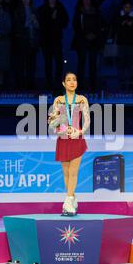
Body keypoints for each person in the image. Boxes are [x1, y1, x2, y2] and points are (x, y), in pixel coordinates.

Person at [49, 72, 90, 216]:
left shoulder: (82, 100)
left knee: (73, 172)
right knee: (66, 174)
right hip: (63, 139)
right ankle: (72, 199)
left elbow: (87, 120)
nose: (72, 82)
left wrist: (79, 132)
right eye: (68, 80)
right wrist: (58, 129)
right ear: (63, 83)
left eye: (74, 79)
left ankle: (67, 202)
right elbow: (54, 122)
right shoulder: (58, 100)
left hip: (76, 139)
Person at [71, 0, 102, 92]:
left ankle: (93, 87)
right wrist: (85, 35)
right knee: (81, 64)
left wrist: (94, 34)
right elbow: (76, 26)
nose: (86, 0)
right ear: (82, 0)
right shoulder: (79, 12)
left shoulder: (97, 11)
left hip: (94, 40)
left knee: (92, 64)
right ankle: (79, 87)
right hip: (81, 41)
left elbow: (100, 25)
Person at [38, 0, 69, 91]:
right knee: (48, 62)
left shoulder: (60, 8)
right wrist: (51, 19)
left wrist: (56, 19)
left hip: (56, 40)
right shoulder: (42, 9)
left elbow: (65, 22)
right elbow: (41, 24)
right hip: (46, 40)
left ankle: (57, 83)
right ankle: (49, 83)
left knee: (59, 62)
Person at [13, 0, 40, 90]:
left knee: (31, 65)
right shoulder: (18, 11)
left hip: (32, 41)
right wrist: (27, 23)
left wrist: (35, 21)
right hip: (22, 41)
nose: (25, 0)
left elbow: (38, 27)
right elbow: (17, 26)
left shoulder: (35, 10)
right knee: (21, 65)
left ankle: (30, 85)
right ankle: (20, 86)